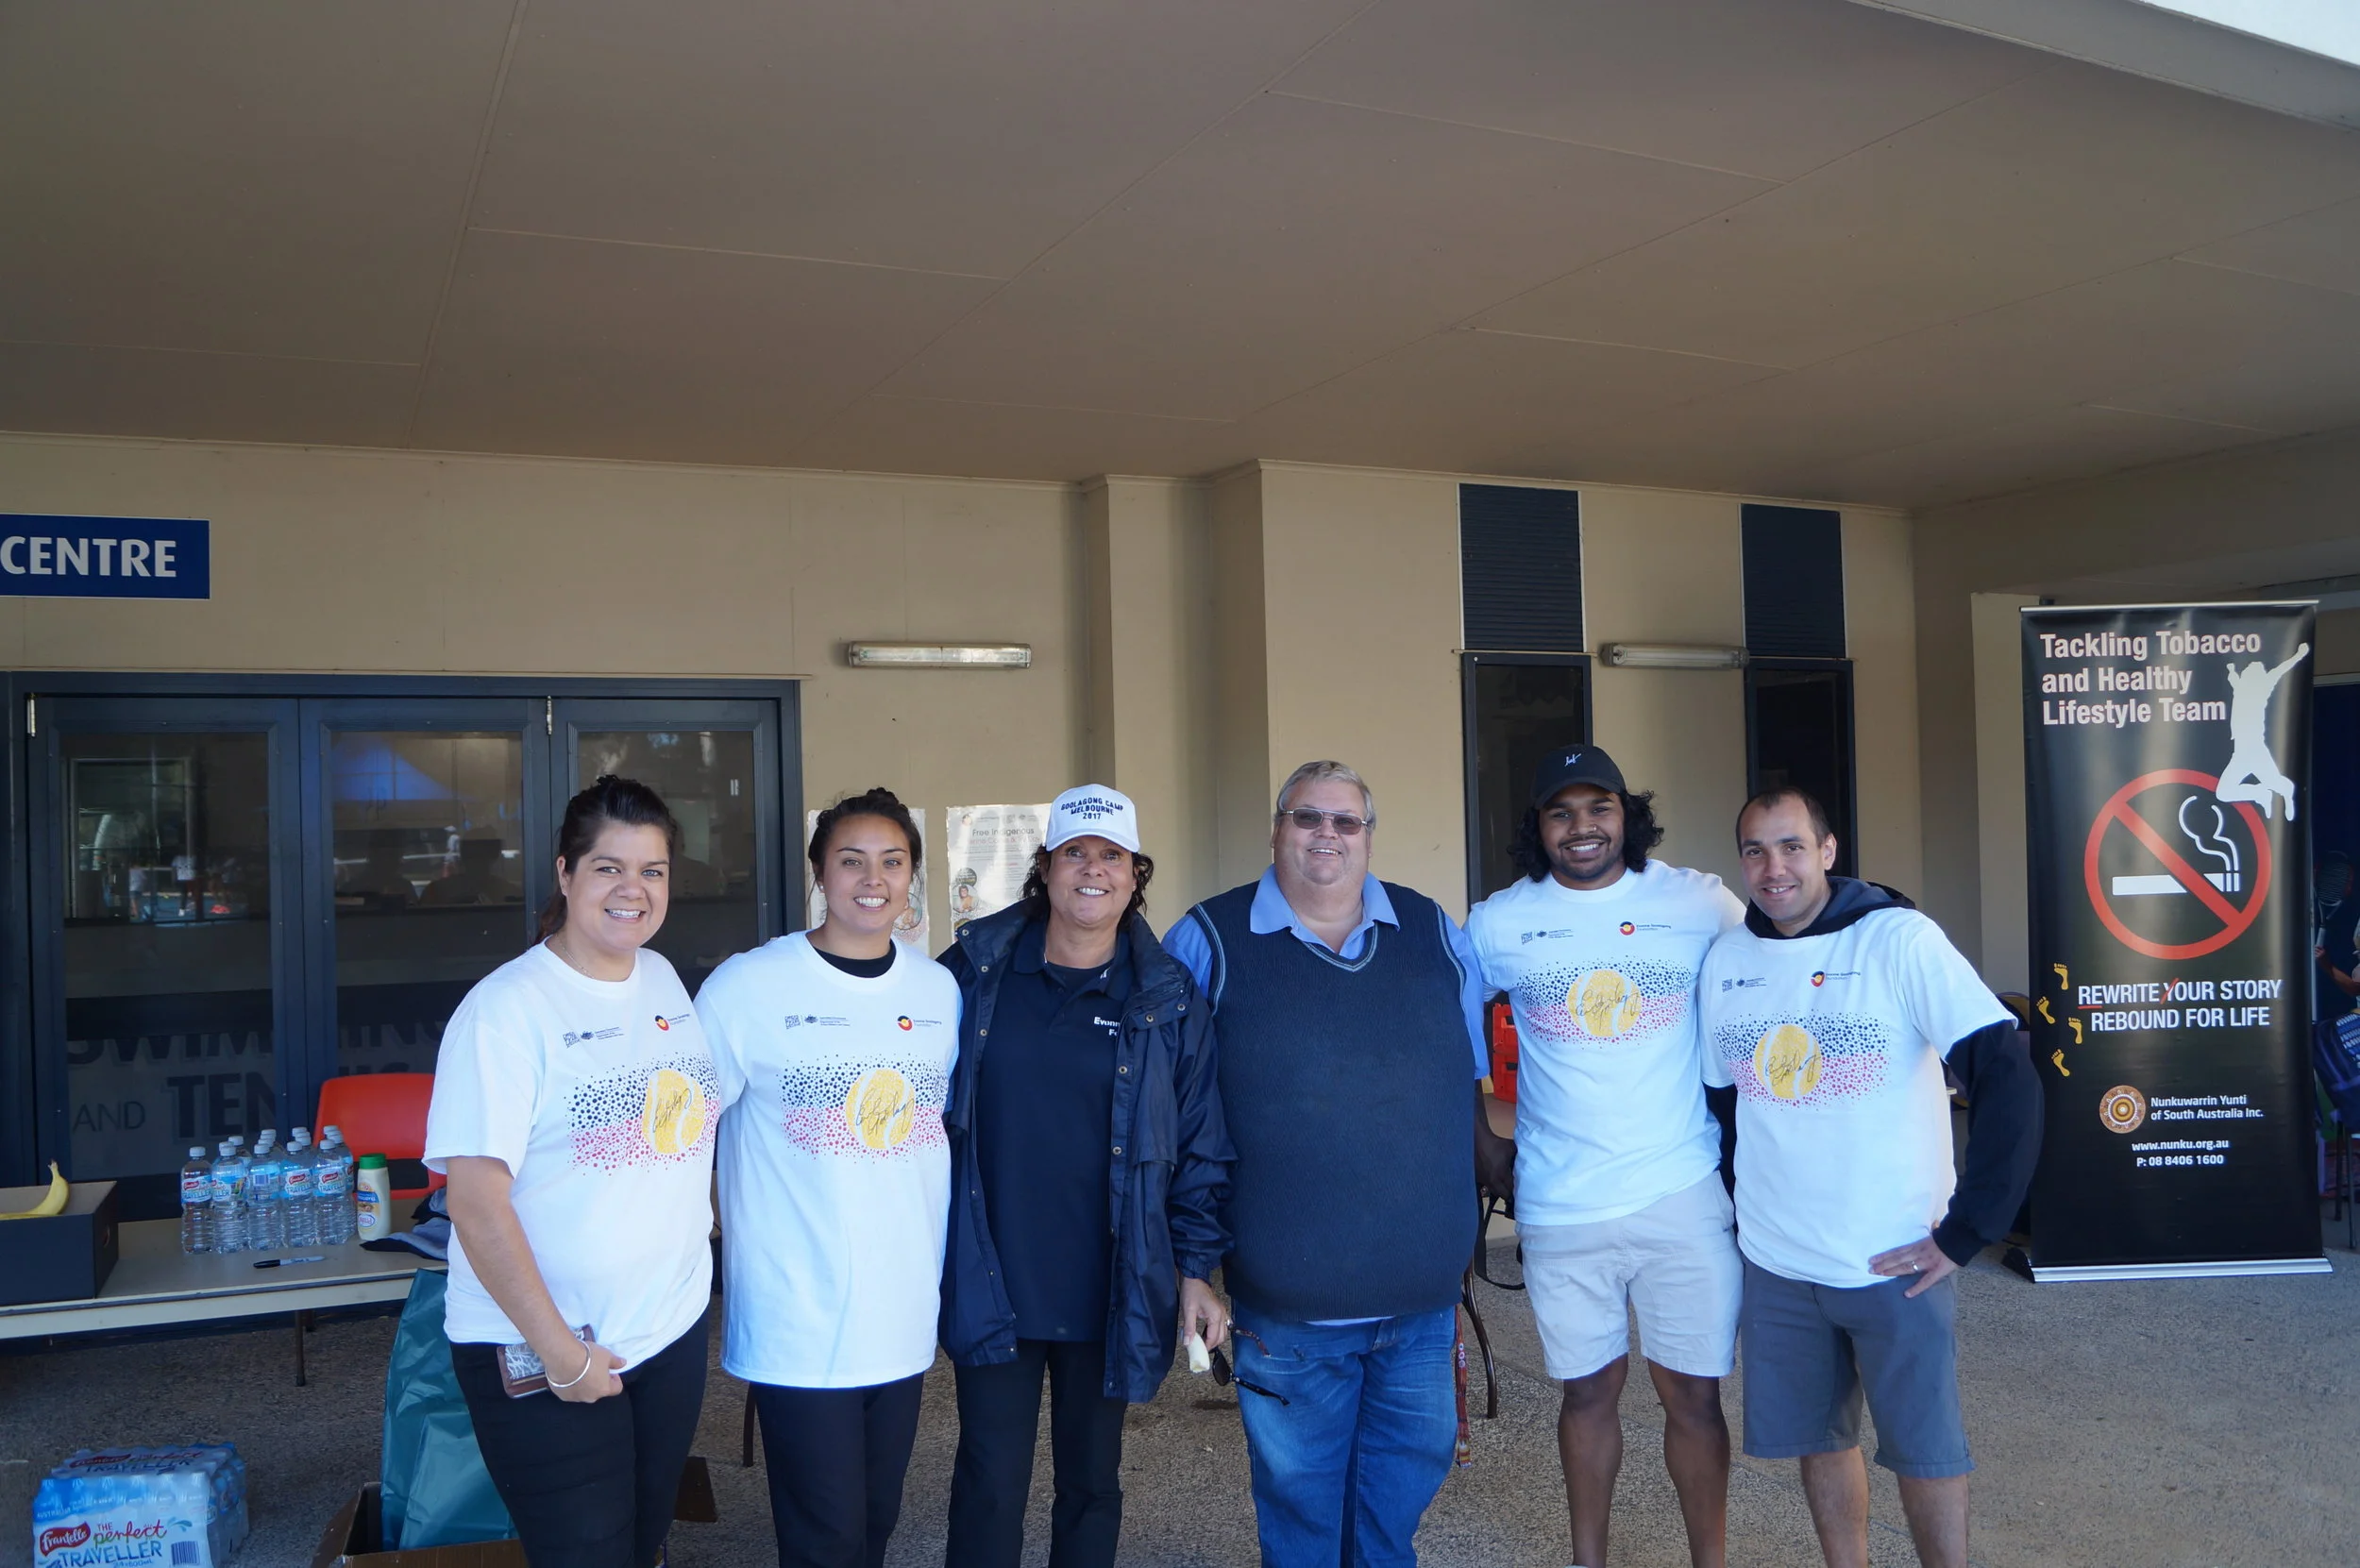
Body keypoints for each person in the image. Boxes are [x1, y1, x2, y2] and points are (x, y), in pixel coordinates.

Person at [1163, 760, 1507, 1568]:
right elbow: (1176, 1116)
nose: (1327, 835)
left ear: (1367, 836)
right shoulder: (1207, 939)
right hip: (1289, 1312)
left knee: (1392, 1514)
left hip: (1421, 1306)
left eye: (1345, 821)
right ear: (1277, 828)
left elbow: (1463, 1079)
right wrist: (1194, 1266)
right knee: (1303, 1517)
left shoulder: (1431, 932)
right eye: (1307, 817)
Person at [1698, 788, 2041, 1568]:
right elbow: (1723, 1107)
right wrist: (1744, 1217)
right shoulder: (1729, 961)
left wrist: (1967, 1230)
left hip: (1895, 1258)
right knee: (1821, 1442)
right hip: (1780, 1263)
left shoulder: (1898, 939)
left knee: (1926, 1450)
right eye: (1754, 850)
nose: (1772, 867)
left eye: (1791, 846)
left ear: (1828, 849)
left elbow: (2008, 1073)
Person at [1464, 744, 1745, 1568]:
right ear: (1538, 827)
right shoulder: (1499, 921)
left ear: (1629, 816)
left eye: (1599, 809)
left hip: (1682, 1191)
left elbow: (1778, 955)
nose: (1582, 827)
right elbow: (1444, 1030)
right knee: (1587, 1392)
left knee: (1692, 1395)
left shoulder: (1697, 902)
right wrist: (1483, 1141)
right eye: (1561, 812)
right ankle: (1590, 1559)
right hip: (1561, 1200)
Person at [425, 776, 717, 1568]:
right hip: (546, 1346)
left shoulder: (661, 979)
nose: (633, 890)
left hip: (665, 1329)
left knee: (644, 1536)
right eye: (608, 867)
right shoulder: (507, 1011)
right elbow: (476, 1204)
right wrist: (563, 1355)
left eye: (653, 870)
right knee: (584, 1553)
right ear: (564, 873)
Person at [938, 784, 1233, 1568]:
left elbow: (1201, 1142)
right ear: (1045, 868)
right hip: (993, 1273)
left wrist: (1196, 1267)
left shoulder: (1169, 997)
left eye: (1112, 856)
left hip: (1111, 1277)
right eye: (1076, 853)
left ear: (1137, 874)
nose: (1092, 871)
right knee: (989, 1478)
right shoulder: (974, 973)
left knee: (1093, 1482)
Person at [697, 788, 960, 1568]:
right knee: (826, 1536)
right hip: (799, 1317)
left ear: (913, 874)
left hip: (902, 1310)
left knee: (875, 1522)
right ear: (819, 872)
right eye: (851, 860)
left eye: (892, 860)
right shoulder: (748, 986)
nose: (872, 878)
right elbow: (683, 1134)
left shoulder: (936, 991)